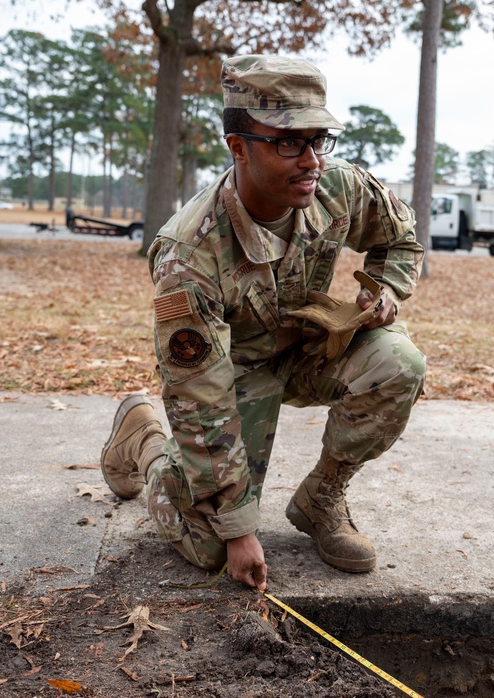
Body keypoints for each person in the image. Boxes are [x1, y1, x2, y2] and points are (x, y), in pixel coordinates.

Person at [99, 55, 425, 593]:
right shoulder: (190, 254)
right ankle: (143, 440)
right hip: (234, 374)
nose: (312, 160)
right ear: (238, 146)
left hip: (305, 351)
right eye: (290, 142)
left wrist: (386, 289)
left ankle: (321, 499)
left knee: (398, 363)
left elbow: (401, 234)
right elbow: (199, 394)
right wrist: (237, 527)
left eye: (320, 139)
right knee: (208, 546)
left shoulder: (337, 187)